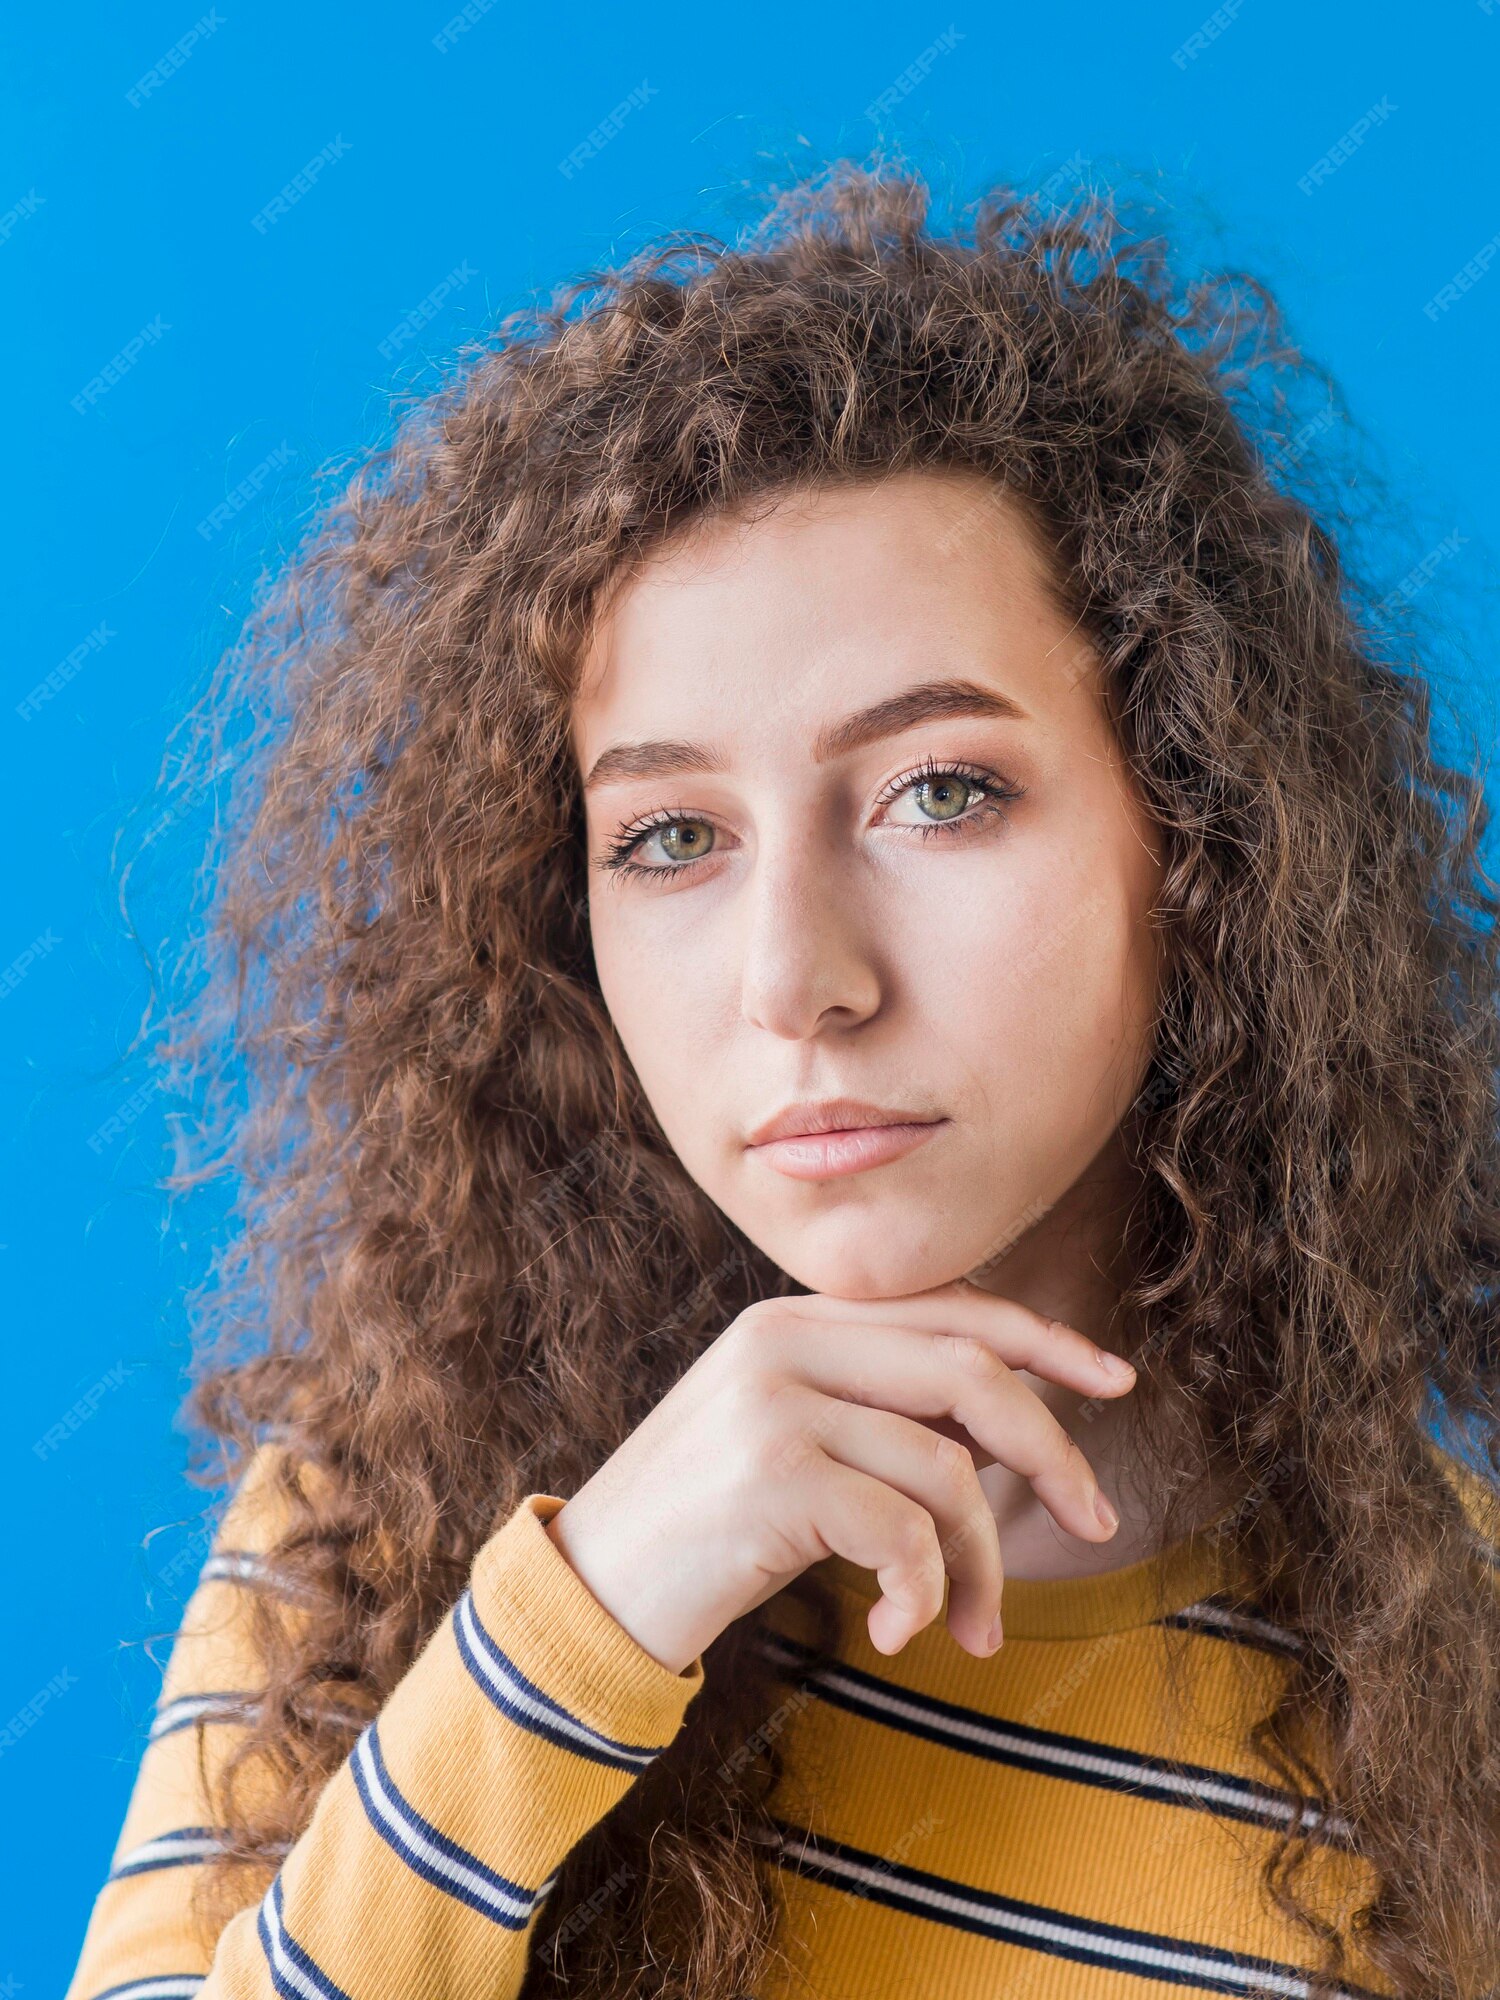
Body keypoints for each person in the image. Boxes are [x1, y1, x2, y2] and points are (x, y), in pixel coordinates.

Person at [64, 162, 1500, 2000]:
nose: (793, 981)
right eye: (670, 836)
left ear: (1202, 838)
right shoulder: (368, 1538)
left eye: (943, 792)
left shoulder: (1450, 1662)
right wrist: (584, 1627)